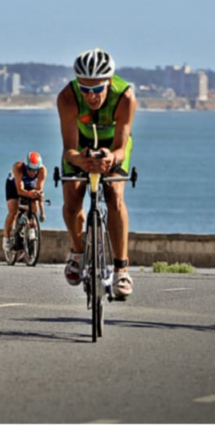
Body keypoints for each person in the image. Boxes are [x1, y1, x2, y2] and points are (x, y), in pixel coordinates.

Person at [57, 47, 138, 297]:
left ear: (109, 81)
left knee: (114, 193)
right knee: (72, 198)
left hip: (113, 148)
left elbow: (121, 150)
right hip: (81, 147)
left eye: (97, 89)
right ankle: (79, 250)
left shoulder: (125, 97)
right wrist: (81, 160)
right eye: (85, 89)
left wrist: (111, 157)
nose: (91, 96)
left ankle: (121, 268)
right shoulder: (68, 97)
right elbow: (69, 149)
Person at [3, 152, 46, 255]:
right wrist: (29, 194)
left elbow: (39, 191)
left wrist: (42, 212)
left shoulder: (42, 171)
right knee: (13, 211)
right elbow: (19, 190)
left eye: (34, 170)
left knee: (34, 204)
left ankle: (30, 229)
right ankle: (6, 238)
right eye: (30, 169)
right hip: (14, 185)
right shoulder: (18, 167)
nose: (32, 173)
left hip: (30, 185)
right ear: (26, 166)